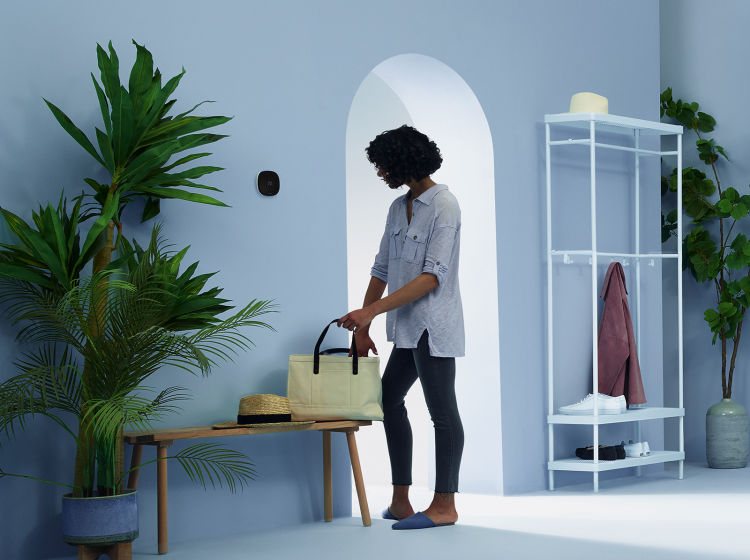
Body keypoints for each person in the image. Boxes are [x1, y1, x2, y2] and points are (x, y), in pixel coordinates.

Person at [338, 125, 465, 530]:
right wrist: (363, 323)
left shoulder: (445, 205)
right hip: (405, 329)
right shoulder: (398, 207)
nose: (379, 173)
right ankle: (401, 501)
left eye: (382, 165)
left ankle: (445, 505)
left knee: (442, 413)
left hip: (433, 326)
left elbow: (432, 277)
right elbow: (381, 267)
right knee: (389, 400)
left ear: (402, 161)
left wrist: (371, 311)